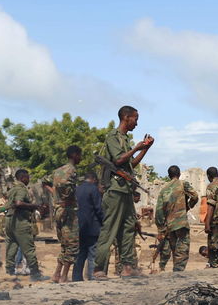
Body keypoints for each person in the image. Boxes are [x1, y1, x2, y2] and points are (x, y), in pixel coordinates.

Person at [93, 105, 154, 279]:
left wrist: (145, 149)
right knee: (109, 229)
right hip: (115, 190)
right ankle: (99, 269)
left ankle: (127, 267)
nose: (137, 122)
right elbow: (119, 159)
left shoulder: (124, 139)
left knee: (128, 228)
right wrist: (136, 147)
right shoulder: (113, 137)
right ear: (126, 117)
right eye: (135, 118)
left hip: (125, 190)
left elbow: (130, 164)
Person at [5, 169, 48, 281]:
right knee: (28, 248)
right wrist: (34, 206)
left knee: (11, 247)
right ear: (23, 177)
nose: (28, 180)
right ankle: (35, 273)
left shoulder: (12, 189)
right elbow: (18, 203)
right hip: (20, 222)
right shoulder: (21, 189)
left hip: (10, 221)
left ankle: (9, 272)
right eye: (28, 177)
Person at [155, 165, 198, 272]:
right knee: (182, 249)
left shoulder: (164, 189)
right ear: (179, 174)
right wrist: (188, 206)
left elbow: (159, 211)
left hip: (169, 225)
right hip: (181, 223)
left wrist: (161, 228)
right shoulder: (183, 184)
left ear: (169, 176)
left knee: (174, 248)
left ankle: (174, 271)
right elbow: (195, 196)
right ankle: (178, 272)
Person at [51, 145, 82, 283]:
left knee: (64, 244)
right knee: (72, 244)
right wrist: (67, 201)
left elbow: (50, 185)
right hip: (68, 211)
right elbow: (68, 189)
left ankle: (56, 274)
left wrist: (59, 200)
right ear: (75, 155)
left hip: (58, 210)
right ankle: (64, 276)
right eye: (80, 155)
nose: (80, 158)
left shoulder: (57, 171)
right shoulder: (72, 170)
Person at [73, 172, 103, 281]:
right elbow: (98, 209)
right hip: (92, 227)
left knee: (80, 254)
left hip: (79, 227)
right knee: (92, 254)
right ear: (94, 179)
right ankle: (91, 277)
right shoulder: (94, 189)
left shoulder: (77, 189)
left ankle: (76, 278)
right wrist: (103, 222)